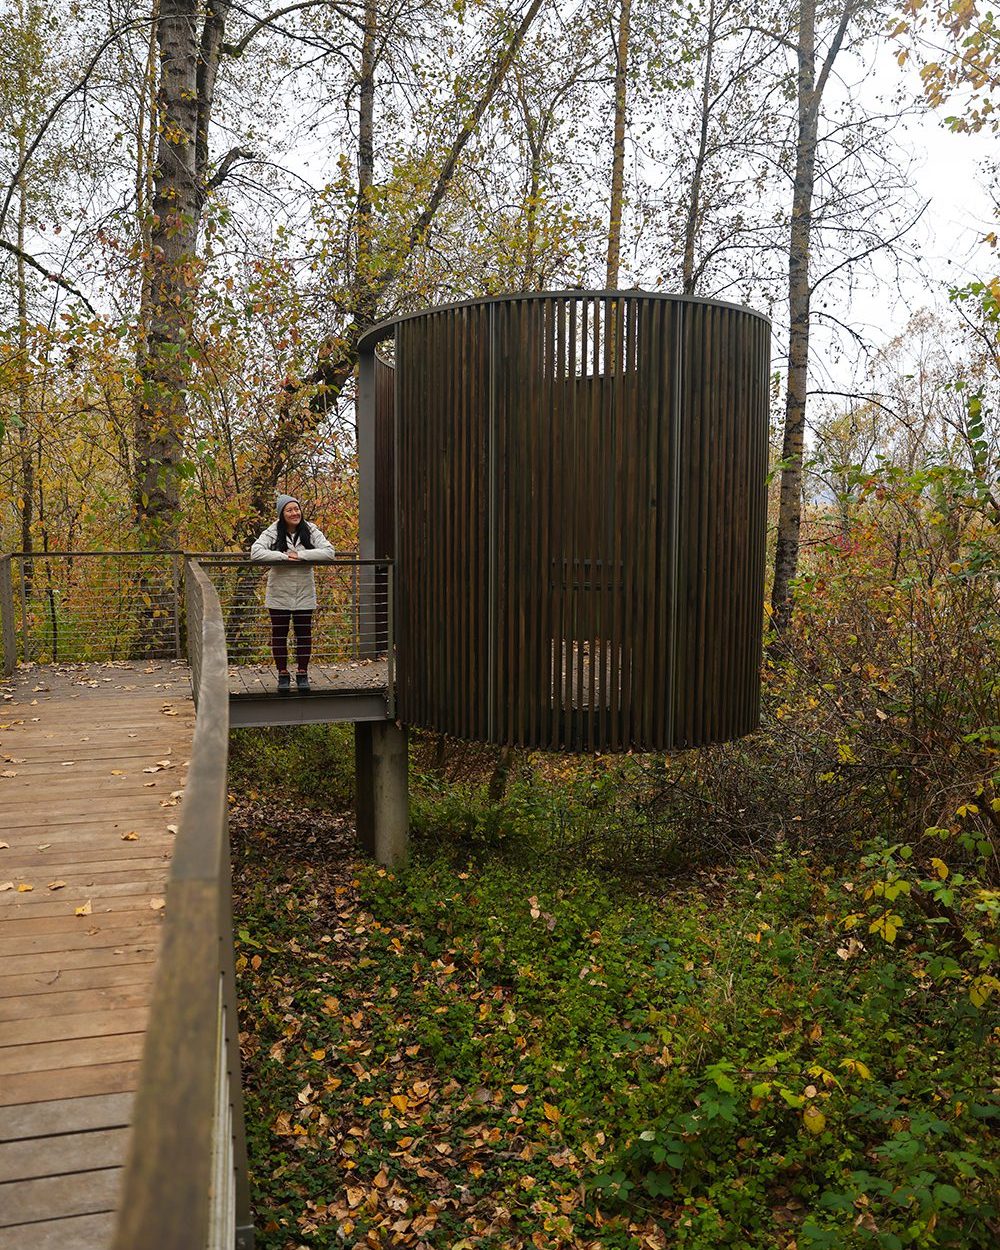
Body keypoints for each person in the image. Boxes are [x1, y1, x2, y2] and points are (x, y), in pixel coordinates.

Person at [251, 494, 335, 693]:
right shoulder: (273, 531)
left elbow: (329, 552)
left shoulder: (310, 529)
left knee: (304, 634)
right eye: (289, 510)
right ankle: (282, 674)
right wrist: (283, 556)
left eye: (296, 509)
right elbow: (256, 552)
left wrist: (300, 554)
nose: (294, 513)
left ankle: (302, 673)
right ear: (282, 513)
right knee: (279, 635)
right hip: (279, 592)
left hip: (304, 592)